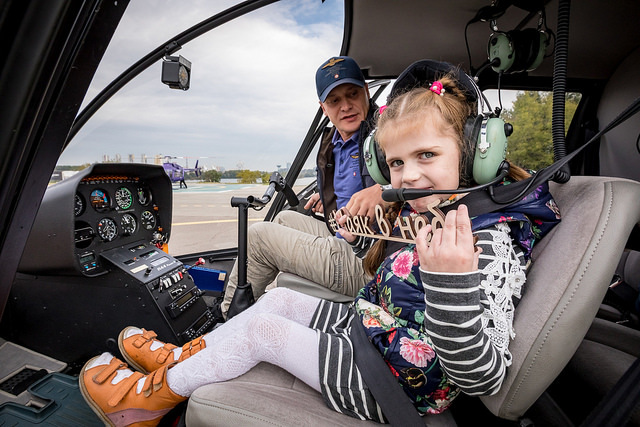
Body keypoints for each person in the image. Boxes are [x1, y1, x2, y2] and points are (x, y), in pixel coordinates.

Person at [78, 62, 561, 425]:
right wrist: (360, 246)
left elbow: (484, 377)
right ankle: (185, 357)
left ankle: (142, 402)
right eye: (395, 164)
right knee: (282, 298)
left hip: (400, 381)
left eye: (427, 155)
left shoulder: (488, 244)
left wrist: (451, 286)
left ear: (476, 154)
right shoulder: (441, 212)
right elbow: (397, 285)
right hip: (378, 330)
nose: (408, 176)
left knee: (262, 333)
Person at [220, 56, 384, 318]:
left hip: (369, 260)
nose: (346, 106)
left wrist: (383, 191)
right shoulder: (332, 142)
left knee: (259, 238)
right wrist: (327, 195)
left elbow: (417, 177)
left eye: (353, 94)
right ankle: (249, 308)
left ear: (366, 91)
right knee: (284, 218)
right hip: (343, 234)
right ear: (323, 107)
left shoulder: (385, 133)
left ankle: (229, 319)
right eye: (334, 101)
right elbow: (351, 183)